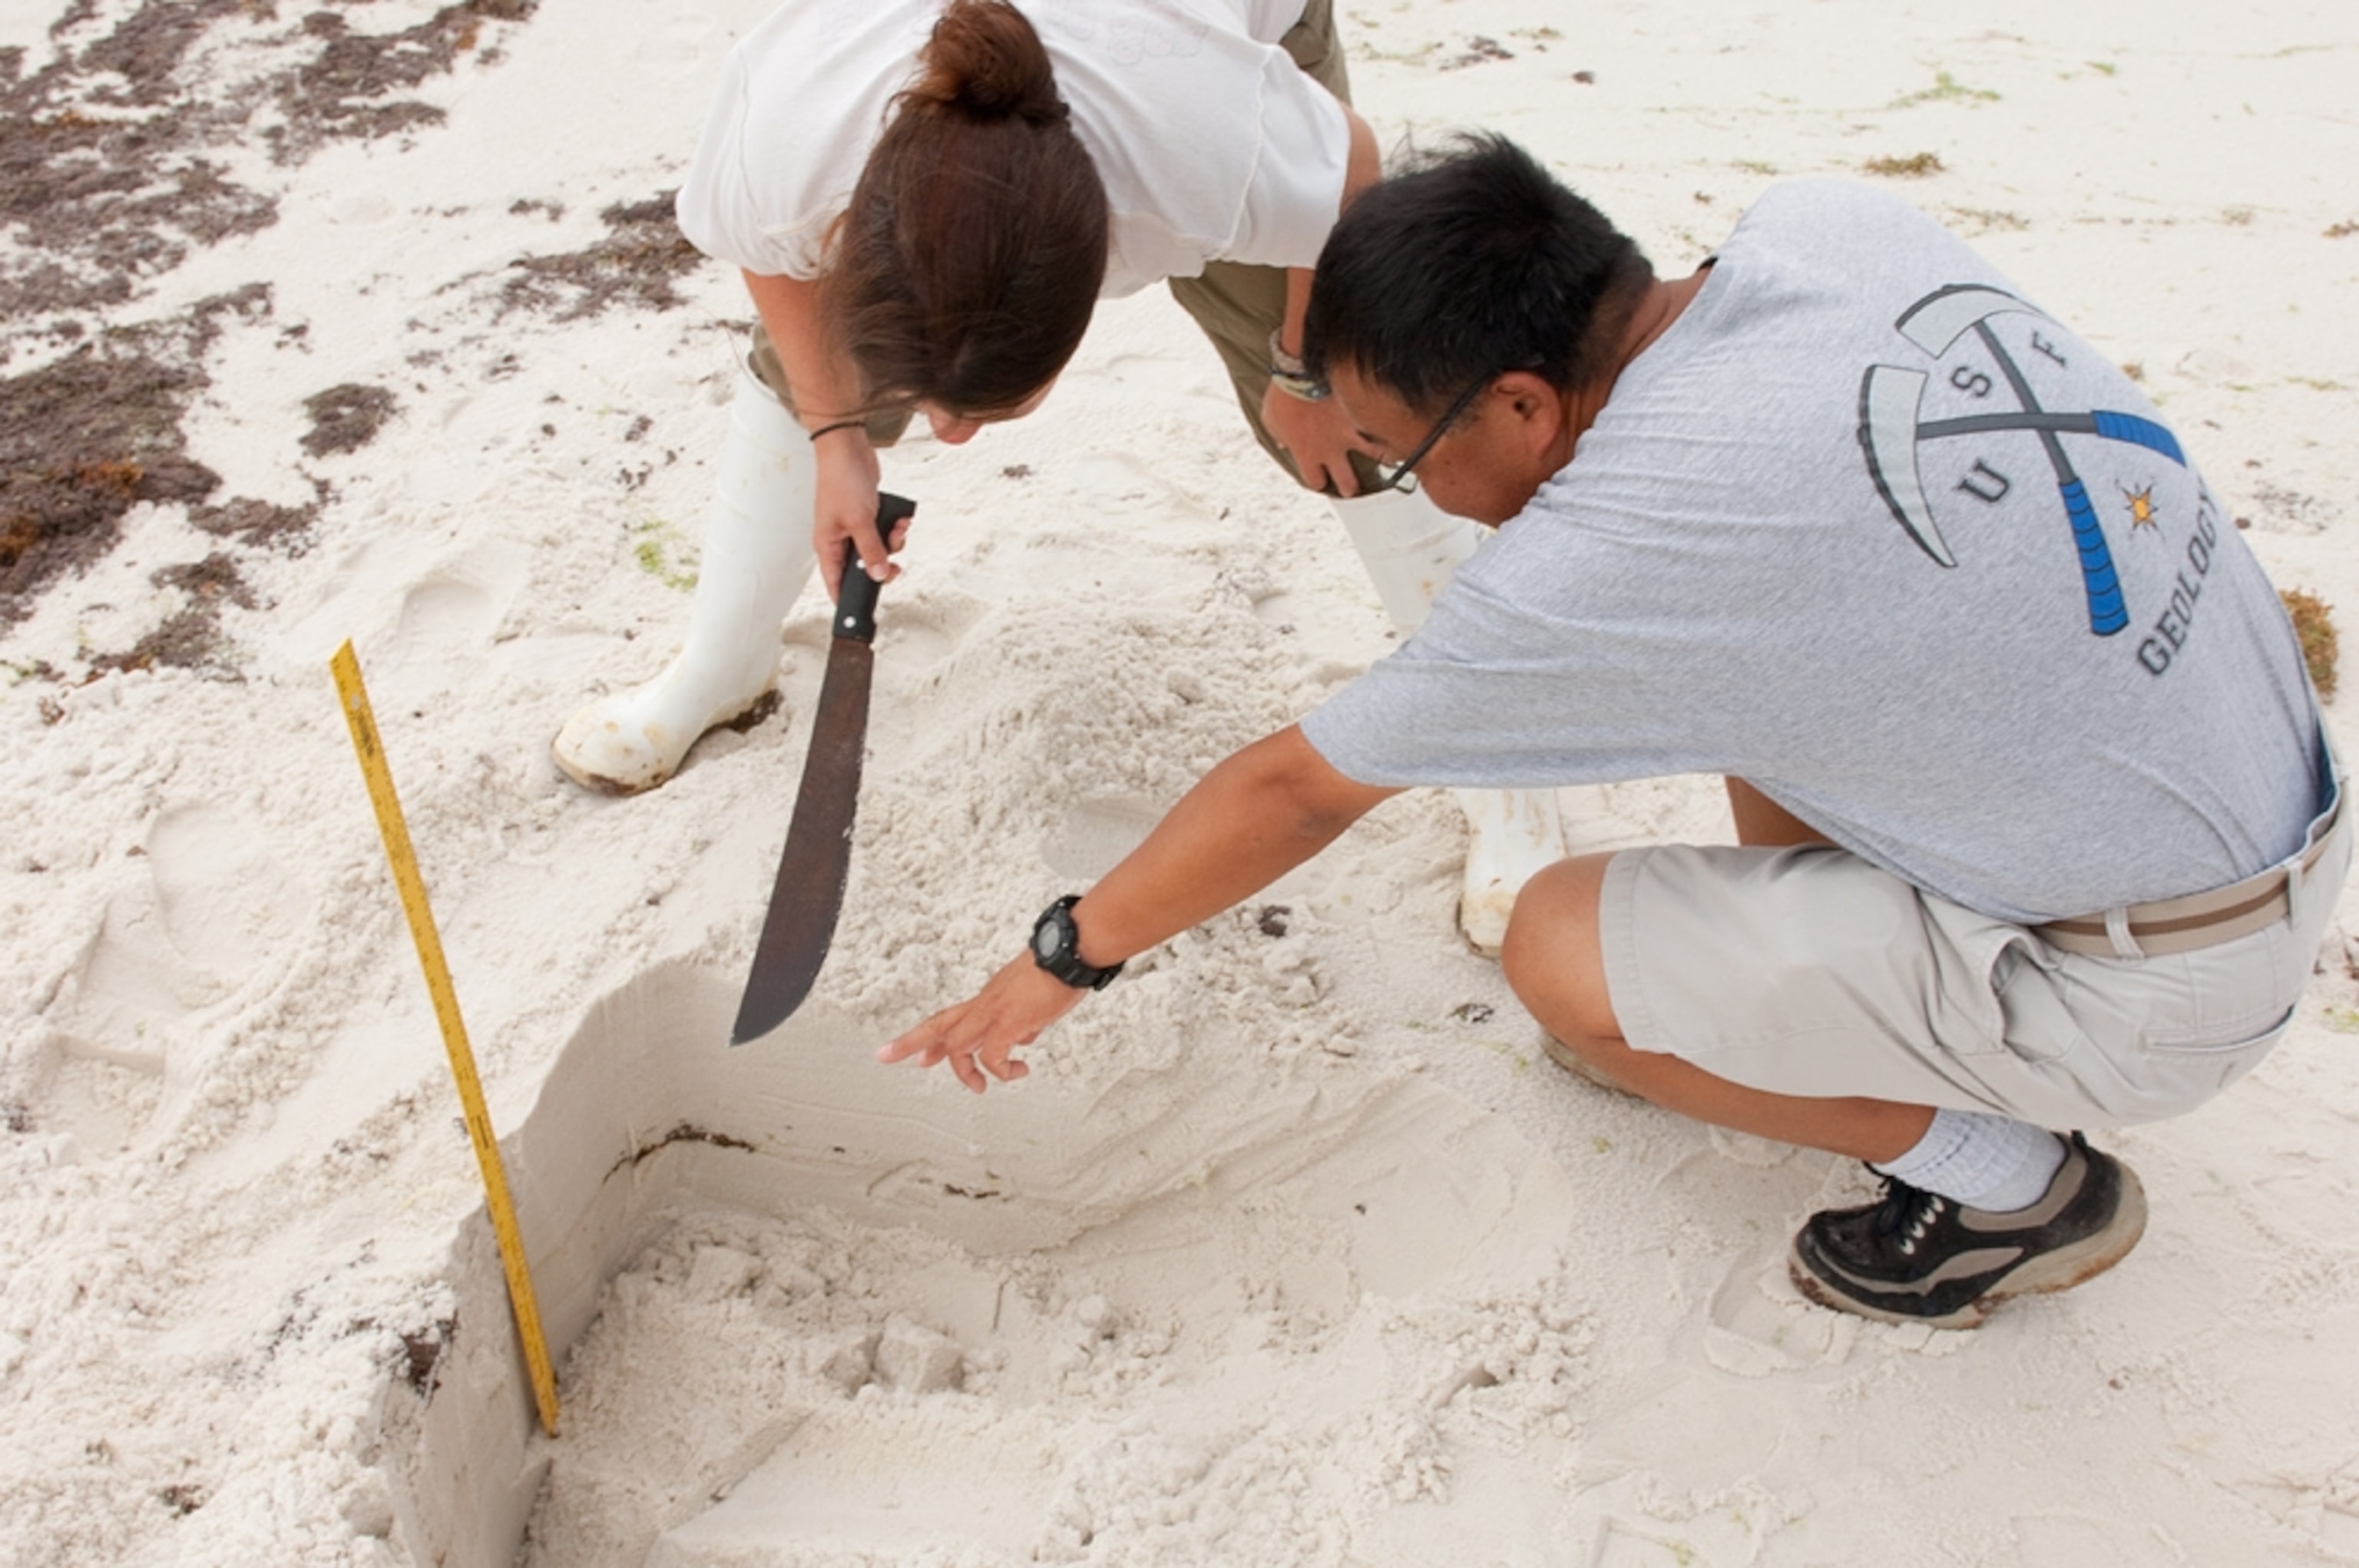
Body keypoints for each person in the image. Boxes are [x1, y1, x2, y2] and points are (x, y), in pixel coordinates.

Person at [878, 134, 2347, 1329]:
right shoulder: (1828, 230)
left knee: (1563, 956)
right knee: (1775, 665)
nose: (1407, 486)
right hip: (2262, 805)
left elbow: (1302, 787)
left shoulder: (1631, 543)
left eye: (1396, 457)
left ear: (1521, 402)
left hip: (2159, 983)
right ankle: (1858, 1006)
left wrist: (1068, 951)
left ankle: (2011, 1185)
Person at [551, 0, 1564, 951]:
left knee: (1368, 402)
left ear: (1108, 278)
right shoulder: (793, 131)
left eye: (988, 410)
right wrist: (836, 435)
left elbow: (1349, 170)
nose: (949, 437)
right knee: (817, 375)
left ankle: (1504, 774)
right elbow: (773, 261)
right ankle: (720, 665)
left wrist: (1305, 367)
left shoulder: (1212, 150)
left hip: (1209, 32)